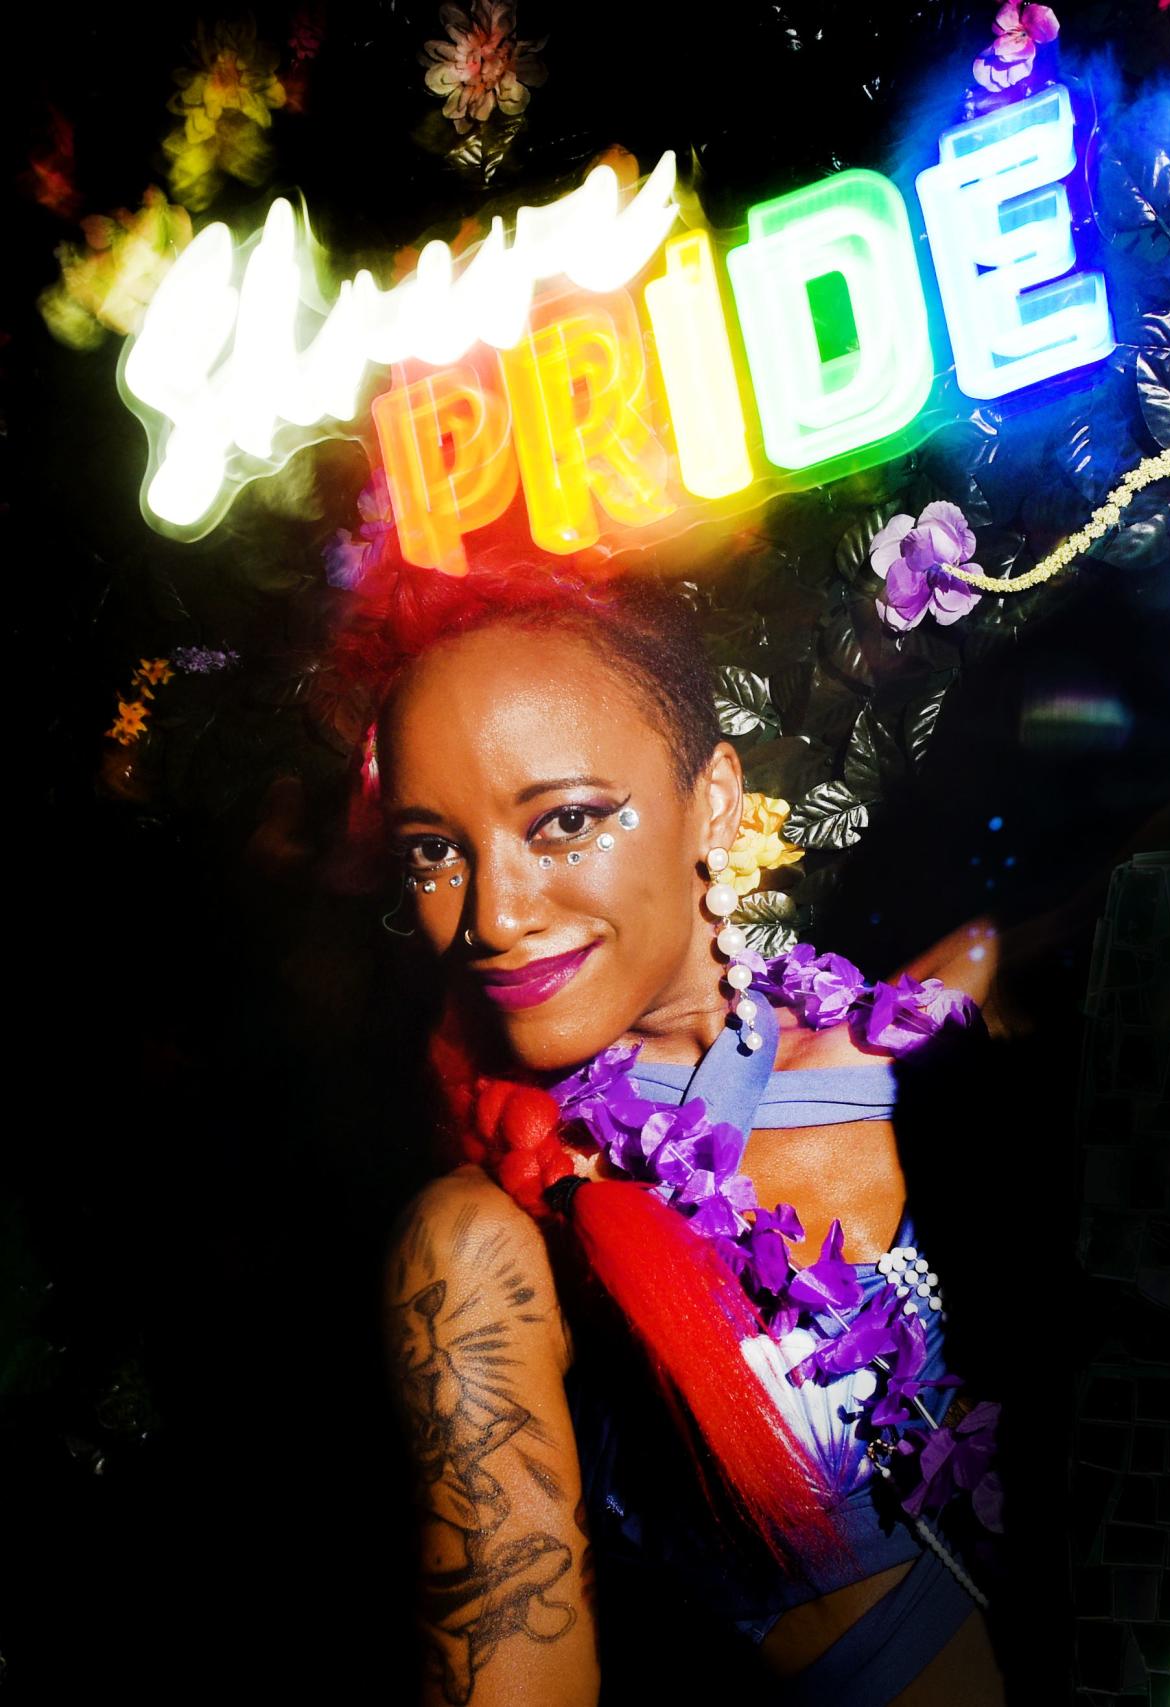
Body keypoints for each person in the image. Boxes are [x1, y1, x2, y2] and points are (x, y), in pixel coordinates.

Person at [346, 563, 1012, 1707]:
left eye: (564, 821)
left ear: (712, 803)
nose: (494, 917)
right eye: (433, 850)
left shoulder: (872, 1037)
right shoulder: (480, 1246)